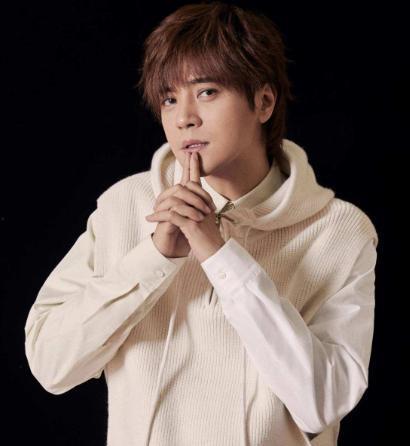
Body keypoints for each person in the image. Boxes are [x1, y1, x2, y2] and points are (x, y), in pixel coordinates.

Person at [24, 2, 378, 445]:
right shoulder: (126, 206)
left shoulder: (340, 231)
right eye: (169, 98)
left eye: (207, 91)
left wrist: (220, 254)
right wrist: (154, 256)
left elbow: (321, 403)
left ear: (264, 101)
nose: (183, 117)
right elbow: (51, 366)